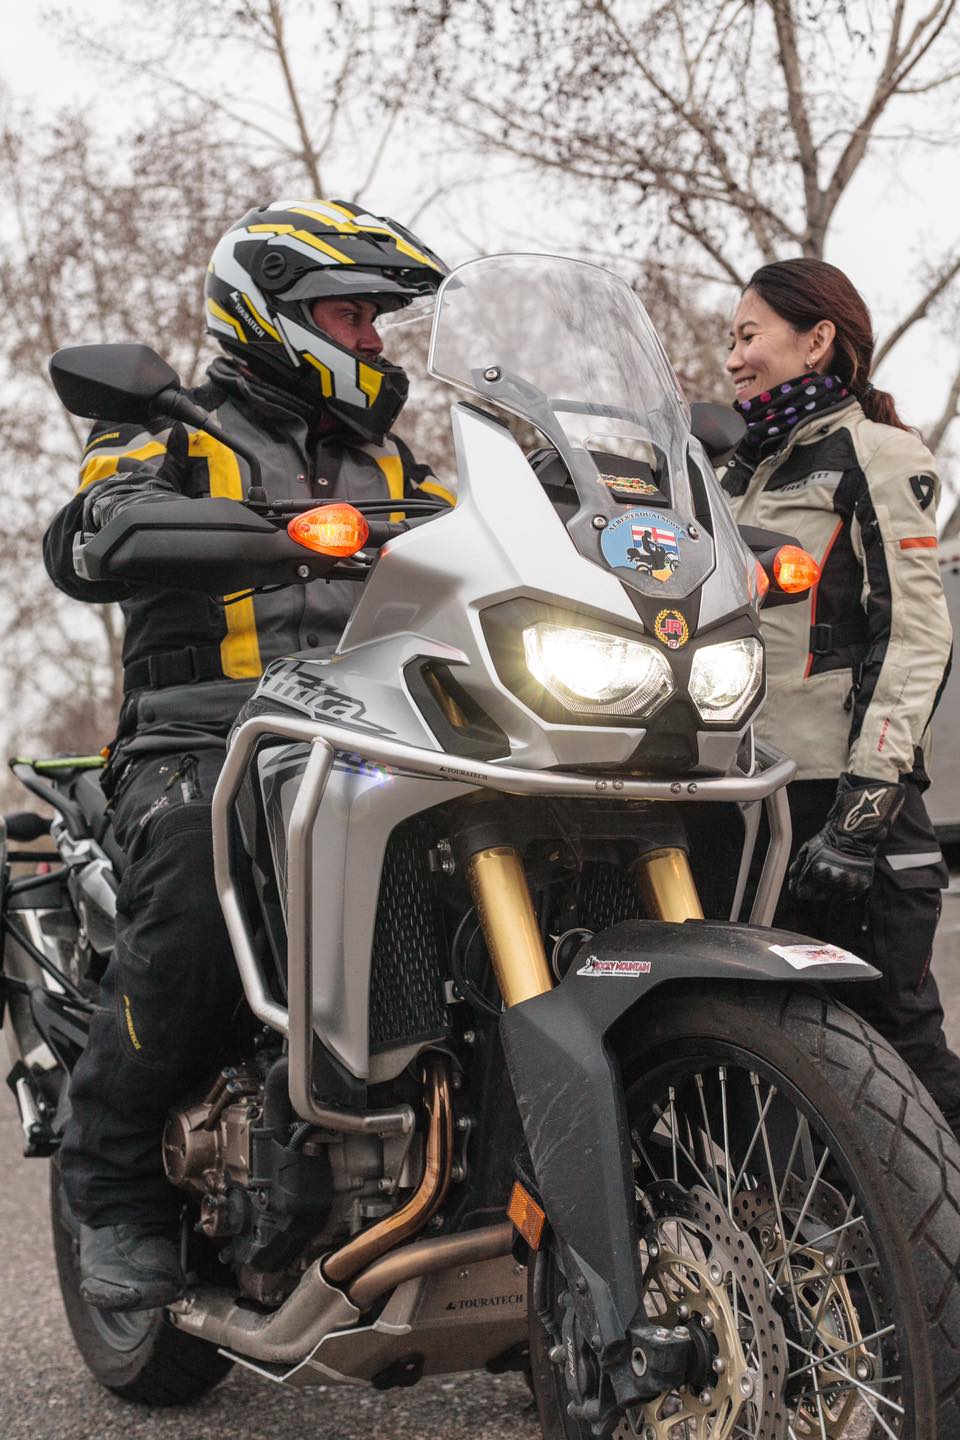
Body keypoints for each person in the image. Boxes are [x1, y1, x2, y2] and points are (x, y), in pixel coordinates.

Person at [43, 198, 452, 1310]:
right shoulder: (166, 433)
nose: (371, 340)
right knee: (194, 851)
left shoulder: (399, 462)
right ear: (271, 314)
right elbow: (97, 533)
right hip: (201, 733)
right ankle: (117, 1179)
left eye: (377, 321)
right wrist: (281, 537)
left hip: (378, 731)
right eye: (350, 315)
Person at [723, 256, 960, 1140]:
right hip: (755, 796)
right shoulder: (737, 474)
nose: (734, 357)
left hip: (849, 803)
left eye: (749, 336)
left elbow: (915, 635)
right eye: (731, 340)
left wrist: (861, 815)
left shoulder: (880, 454)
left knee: (898, 1056)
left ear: (817, 339)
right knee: (775, 1053)